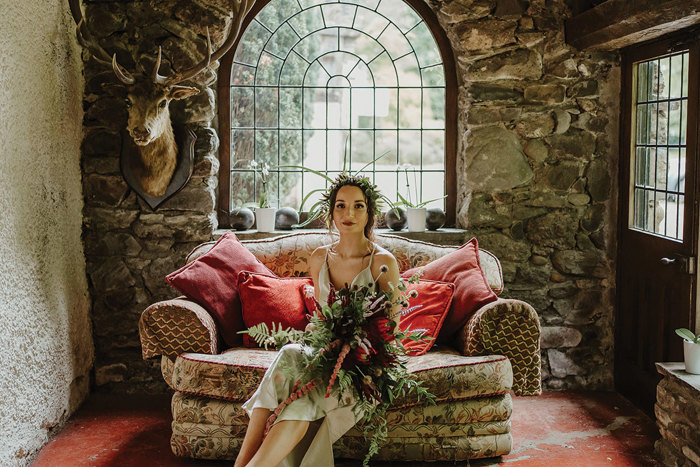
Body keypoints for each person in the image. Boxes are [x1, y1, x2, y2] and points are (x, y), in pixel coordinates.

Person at [234, 173, 401, 467]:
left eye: (358, 206)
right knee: (288, 353)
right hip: (323, 355)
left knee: (302, 401)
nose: (348, 213)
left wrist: (354, 347)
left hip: (362, 369)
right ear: (331, 212)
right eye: (340, 205)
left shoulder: (382, 262)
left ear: (369, 213)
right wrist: (323, 340)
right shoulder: (319, 257)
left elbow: (393, 329)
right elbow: (321, 319)